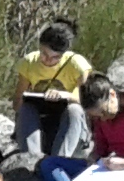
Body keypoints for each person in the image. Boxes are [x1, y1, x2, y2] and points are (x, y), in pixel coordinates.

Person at [14, 18, 93, 159]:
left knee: (74, 110)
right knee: (26, 109)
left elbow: (89, 102)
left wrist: (67, 96)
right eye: (44, 54)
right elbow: (17, 102)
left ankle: (59, 160)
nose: (47, 60)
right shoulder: (29, 62)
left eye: (55, 57)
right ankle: (31, 158)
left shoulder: (77, 65)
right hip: (40, 118)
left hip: (69, 119)